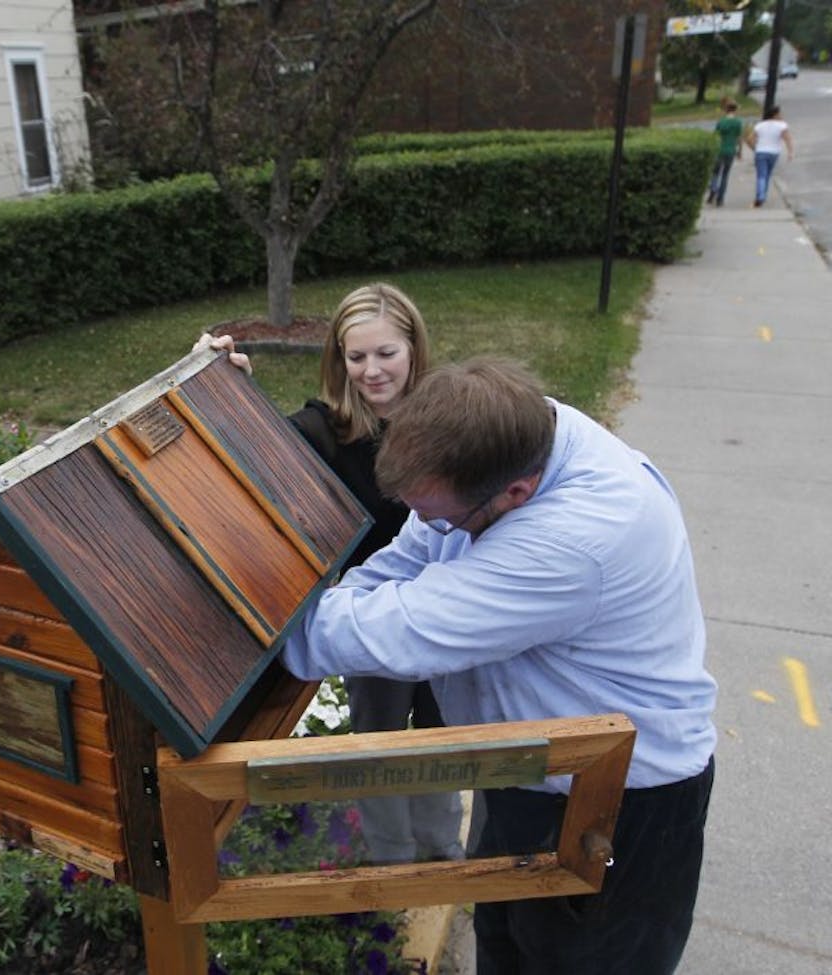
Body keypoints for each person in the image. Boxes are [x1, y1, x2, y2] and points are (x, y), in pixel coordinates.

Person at [281, 357, 717, 975]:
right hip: (535, 779)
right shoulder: (515, 440)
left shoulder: (574, 542)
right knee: (508, 948)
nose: (428, 524)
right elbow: (411, 553)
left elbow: (405, 627)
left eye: (440, 515)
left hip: (616, 807)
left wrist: (249, 630)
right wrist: (343, 592)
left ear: (516, 492)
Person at [200, 282, 465, 864]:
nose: (372, 370)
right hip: (369, 624)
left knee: (447, 740)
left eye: (386, 353)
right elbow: (260, 453)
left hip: (449, 610)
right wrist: (230, 389)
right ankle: (392, 860)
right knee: (378, 742)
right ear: (339, 359)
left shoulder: (447, 420)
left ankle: (443, 853)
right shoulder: (324, 431)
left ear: (414, 349)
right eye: (356, 356)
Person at [747, 104, 793, 207]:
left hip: (761, 152)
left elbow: (750, 139)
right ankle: (763, 195)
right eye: (779, 113)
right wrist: (790, 152)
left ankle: (760, 196)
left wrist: (754, 148)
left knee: (761, 175)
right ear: (775, 115)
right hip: (774, 153)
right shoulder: (782, 126)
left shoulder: (760, 125)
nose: (781, 115)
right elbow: (787, 139)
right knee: (767, 174)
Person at [706, 99, 742, 207]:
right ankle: (720, 199)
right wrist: (740, 151)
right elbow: (739, 138)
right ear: (735, 110)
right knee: (725, 175)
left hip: (719, 150)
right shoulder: (738, 122)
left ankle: (712, 191)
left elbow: (715, 135)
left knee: (715, 173)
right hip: (730, 150)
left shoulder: (721, 122)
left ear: (726, 109)